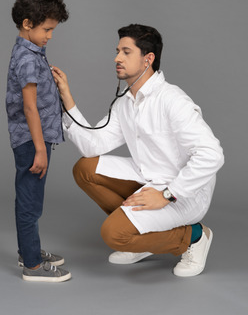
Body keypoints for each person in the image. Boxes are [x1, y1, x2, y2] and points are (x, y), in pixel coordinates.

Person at [52, 24, 224, 277]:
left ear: (148, 59)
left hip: (183, 192)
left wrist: (168, 194)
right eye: (117, 51)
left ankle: (195, 237)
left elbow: (212, 154)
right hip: (147, 177)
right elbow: (92, 146)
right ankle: (145, 233)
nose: (117, 58)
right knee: (85, 169)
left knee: (114, 234)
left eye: (125, 52)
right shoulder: (125, 102)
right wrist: (67, 97)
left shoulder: (172, 100)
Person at [6, 0, 71, 282]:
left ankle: (28, 250)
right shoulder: (28, 58)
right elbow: (29, 108)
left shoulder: (32, 50)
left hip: (36, 139)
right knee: (30, 201)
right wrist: (40, 149)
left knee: (31, 198)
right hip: (33, 141)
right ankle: (32, 266)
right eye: (46, 29)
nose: (50, 35)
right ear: (27, 24)